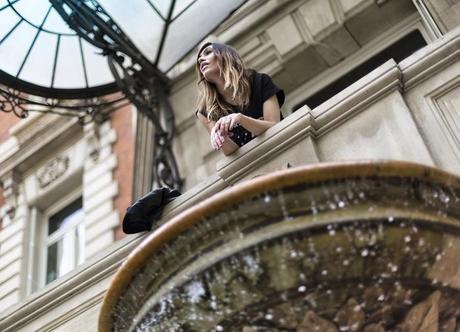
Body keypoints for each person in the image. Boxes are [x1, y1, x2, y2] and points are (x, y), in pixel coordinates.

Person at [195, 42, 285, 155]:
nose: (200, 60)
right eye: (199, 60)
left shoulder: (259, 82)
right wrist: (221, 137)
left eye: (207, 53)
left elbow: (274, 126)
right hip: (252, 166)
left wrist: (240, 119)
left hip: (281, 152)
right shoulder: (205, 111)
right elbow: (231, 152)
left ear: (225, 56)